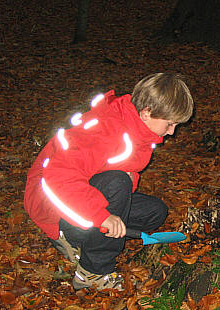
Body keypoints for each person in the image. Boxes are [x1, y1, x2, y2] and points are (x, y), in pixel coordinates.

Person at [24, 73, 194, 291]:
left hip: (77, 196)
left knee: (155, 212)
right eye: (170, 124)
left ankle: (82, 241)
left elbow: (116, 170)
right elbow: (58, 179)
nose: (172, 131)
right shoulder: (106, 130)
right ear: (147, 112)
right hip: (52, 205)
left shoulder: (138, 129)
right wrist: (101, 216)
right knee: (117, 183)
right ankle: (92, 272)